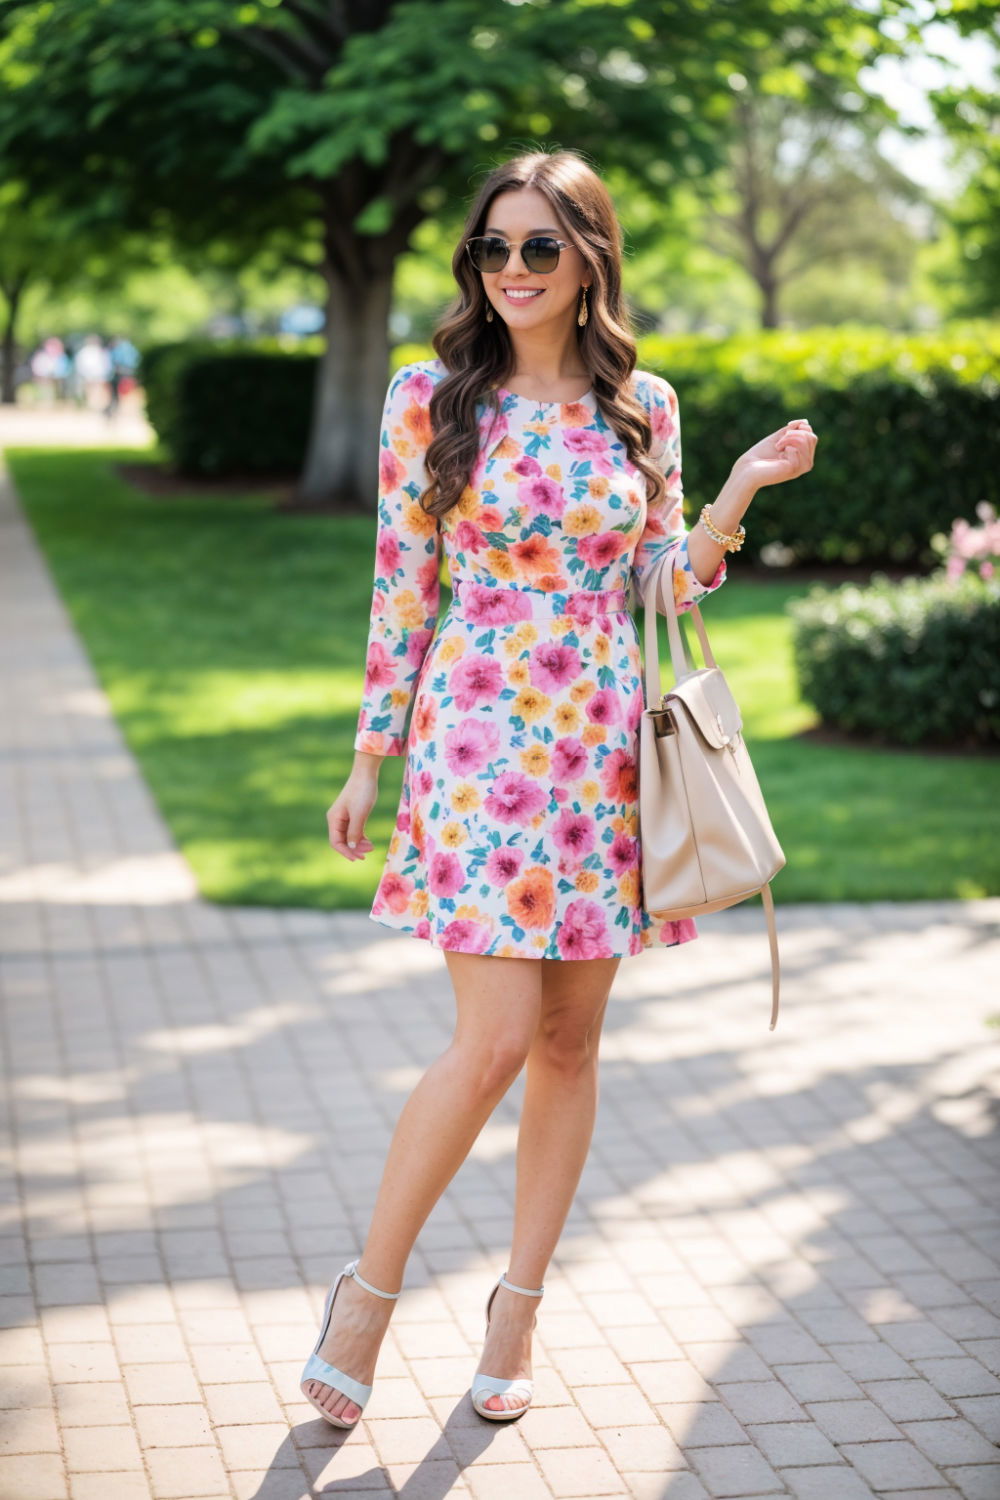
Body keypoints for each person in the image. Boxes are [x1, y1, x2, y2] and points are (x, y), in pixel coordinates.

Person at [304, 149, 817, 1431]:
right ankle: (368, 1296)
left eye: (540, 246)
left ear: (589, 257)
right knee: (488, 1043)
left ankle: (517, 1310)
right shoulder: (430, 398)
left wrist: (736, 495)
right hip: (476, 738)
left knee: (569, 1043)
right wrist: (370, 756)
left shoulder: (644, 405)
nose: (514, 269)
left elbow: (660, 581)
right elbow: (400, 584)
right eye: (493, 247)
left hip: (599, 747)